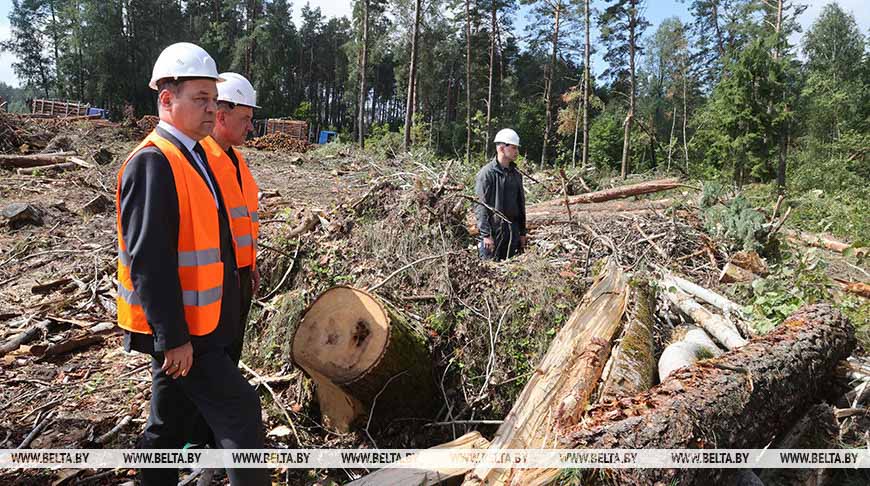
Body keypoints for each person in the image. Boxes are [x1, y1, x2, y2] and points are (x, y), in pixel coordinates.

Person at [115, 42, 268, 485]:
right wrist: (173, 337)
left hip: (199, 324)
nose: (210, 109)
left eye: (213, 100)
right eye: (200, 100)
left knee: (168, 427)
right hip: (185, 333)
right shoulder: (153, 162)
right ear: (167, 100)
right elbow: (148, 261)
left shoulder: (193, 154)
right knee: (241, 411)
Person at [200, 72, 260, 365]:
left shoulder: (236, 160)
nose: (251, 126)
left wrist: (251, 265)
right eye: (245, 119)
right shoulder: (201, 162)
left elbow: (242, 222)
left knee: (231, 355)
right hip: (216, 286)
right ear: (221, 117)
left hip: (240, 277)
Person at [474, 128, 527, 261]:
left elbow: (521, 206)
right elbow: (480, 206)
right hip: (492, 235)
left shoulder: (516, 175)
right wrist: (486, 235)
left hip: (512, 234)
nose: (517, 152)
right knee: (488, 275)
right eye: (514, 148)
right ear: (502, 148)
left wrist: (522, 232)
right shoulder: (486, 174)